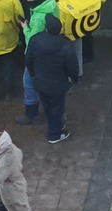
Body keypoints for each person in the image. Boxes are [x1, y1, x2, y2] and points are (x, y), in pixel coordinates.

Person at [26, 14, 80, 143]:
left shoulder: (35, 40)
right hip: (58, 85)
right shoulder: (66, 45)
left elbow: (28, 59)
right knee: (57, 107)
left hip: (40, 82)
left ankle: (55, 125)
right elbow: (72, 67)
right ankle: (54, 134)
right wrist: (75, 78)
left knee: (48, 105)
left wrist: (33, 74)